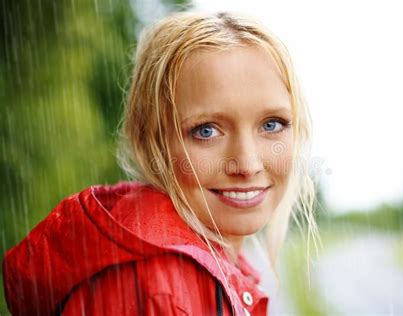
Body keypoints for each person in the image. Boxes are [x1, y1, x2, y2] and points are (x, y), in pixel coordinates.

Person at [2, 11, 317, 316]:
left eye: (272, 124)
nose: (247, 164)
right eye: (206, 131)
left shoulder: (209, 270)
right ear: (150, 140)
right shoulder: (156, 285)